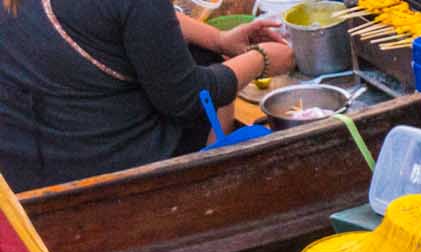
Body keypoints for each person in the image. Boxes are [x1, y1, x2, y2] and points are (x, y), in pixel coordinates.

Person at [0, 0, 294, 190]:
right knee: (212, 76)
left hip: (21, 164)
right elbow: (187, 99)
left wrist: (218, 39)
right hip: (96, 170)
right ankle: (208, 188)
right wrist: (261, 59)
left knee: (205, 53)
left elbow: (141, 15)